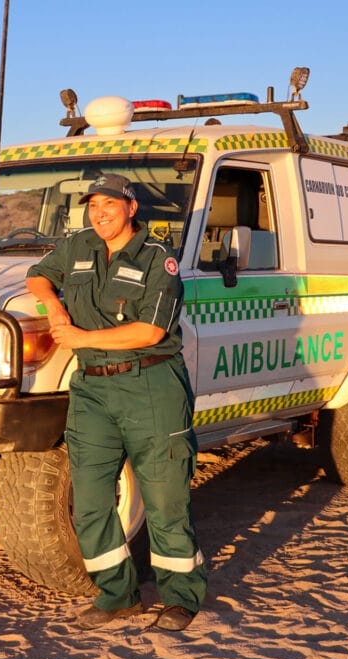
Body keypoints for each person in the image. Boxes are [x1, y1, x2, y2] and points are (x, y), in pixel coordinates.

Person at [25, 173, 207, 631]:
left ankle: (180, 596)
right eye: (92, 206)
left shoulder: (157, 259)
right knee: (88, 497)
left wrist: (83, 336)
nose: (99, 212)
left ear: (131, 208)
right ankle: (117, 594)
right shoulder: (80, 246)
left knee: (166, 498)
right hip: (91, 388)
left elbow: (150, 331)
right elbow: (37, 275)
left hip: (150, 384)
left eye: (109, 204)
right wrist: (56, 307)